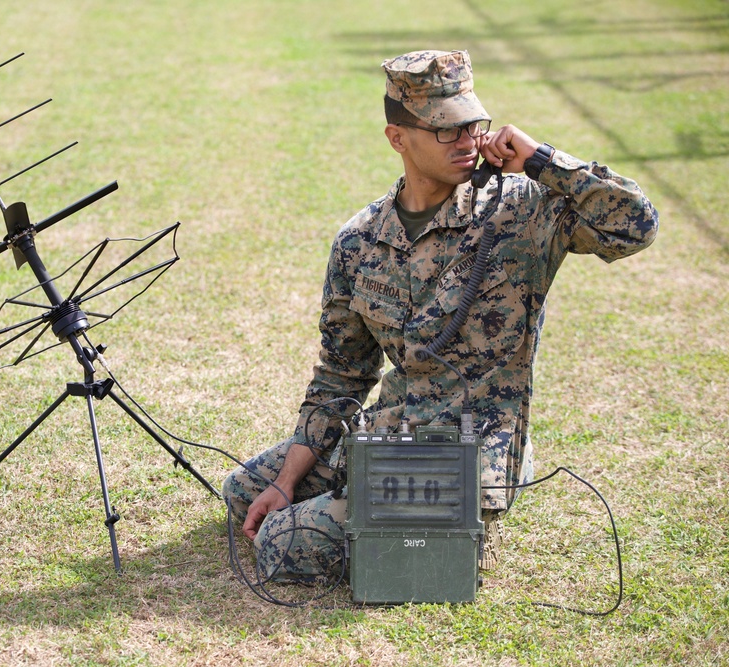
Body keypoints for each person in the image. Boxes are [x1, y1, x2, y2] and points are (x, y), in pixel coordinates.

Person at [222, 50, 659, 583]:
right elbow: (341, 374)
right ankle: (362, 498)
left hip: (470, 449)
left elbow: (636, 226)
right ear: (397, 137)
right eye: (446, 129)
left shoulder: (521, 210)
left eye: (475, 124)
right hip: (391, 429)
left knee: (282, 545)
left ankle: (448, 527)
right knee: (245, 488)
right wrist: (287, 481)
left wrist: (543, 160)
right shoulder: (360, 240)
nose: (468, 141)